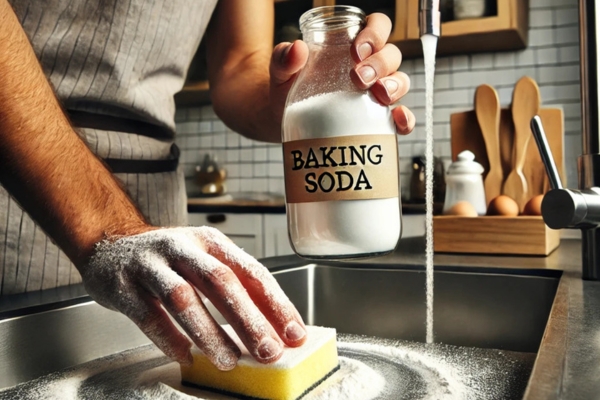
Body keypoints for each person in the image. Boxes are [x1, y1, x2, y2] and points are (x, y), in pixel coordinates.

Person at [0, 0, 415, 370]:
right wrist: (106, 229)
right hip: (22, 184)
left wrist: (294, 102)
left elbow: (239, 67)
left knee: (165, 374)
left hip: (159, 208)